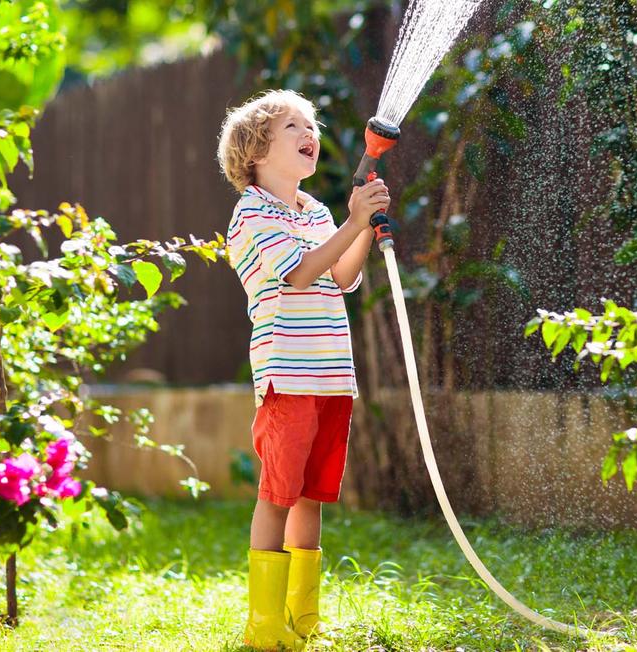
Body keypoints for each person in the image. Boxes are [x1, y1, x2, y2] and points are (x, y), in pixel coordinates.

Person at [217, 89, 390, 650]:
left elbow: (340, 276)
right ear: (256, 152)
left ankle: (302, 617)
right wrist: (353, 219)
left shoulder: (314, 212)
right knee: (278, 494)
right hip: (287, 376)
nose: (308, 132)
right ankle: (265, 626)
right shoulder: (252, 212)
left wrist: (361, 225)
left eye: (310, 124)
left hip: (331, 375)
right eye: (293, 125)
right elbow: (297, 273)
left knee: (311, 495)